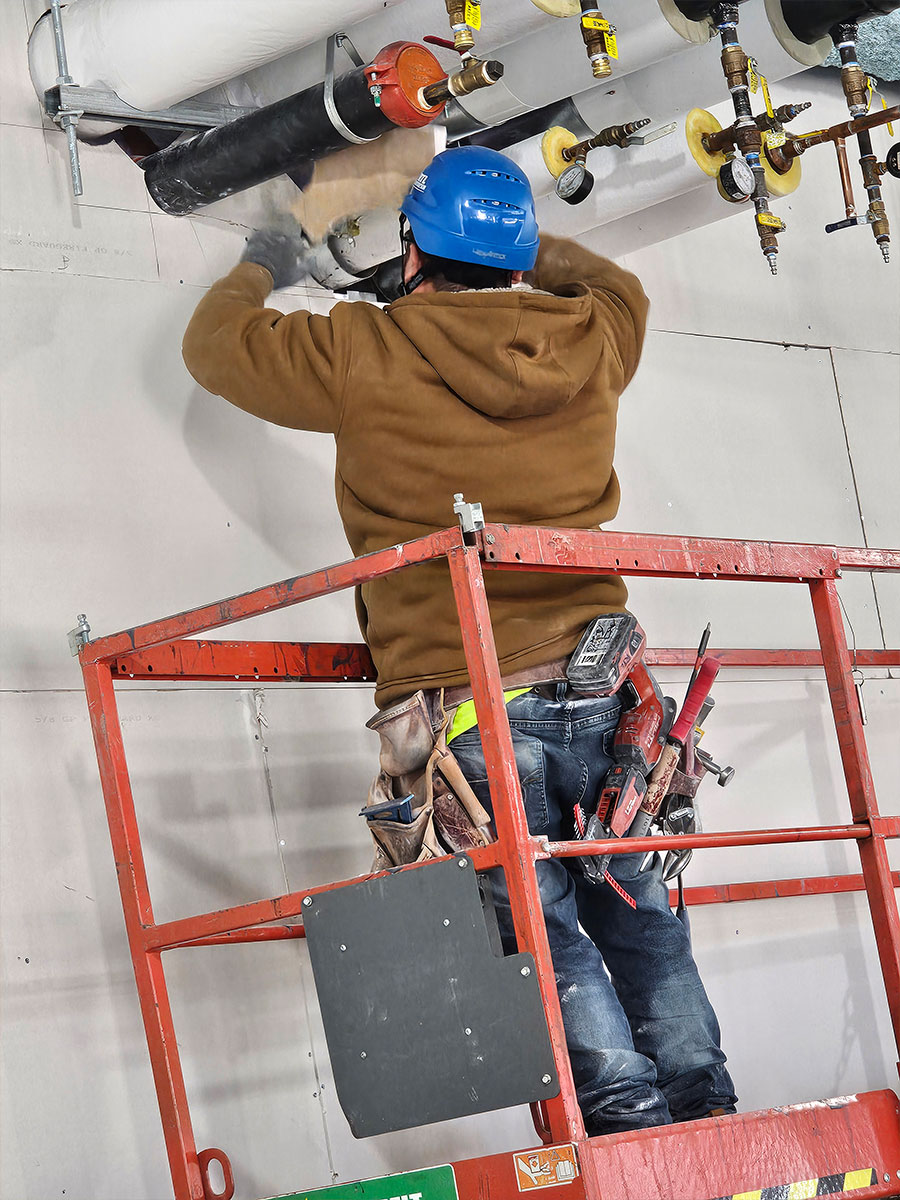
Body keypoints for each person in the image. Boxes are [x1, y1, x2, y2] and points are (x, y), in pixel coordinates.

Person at [182, 145, 737, 1135]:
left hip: (474, 704)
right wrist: (523, 252)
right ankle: (708, 1114)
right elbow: (618, 287)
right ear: (520, 258)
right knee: (638, 910)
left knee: (544, 926)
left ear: (410, 252)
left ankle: (626, 1131)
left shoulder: (364, 348)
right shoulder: (590, 335)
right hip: (612, 699)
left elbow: (217, 347)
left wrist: (265, 259)